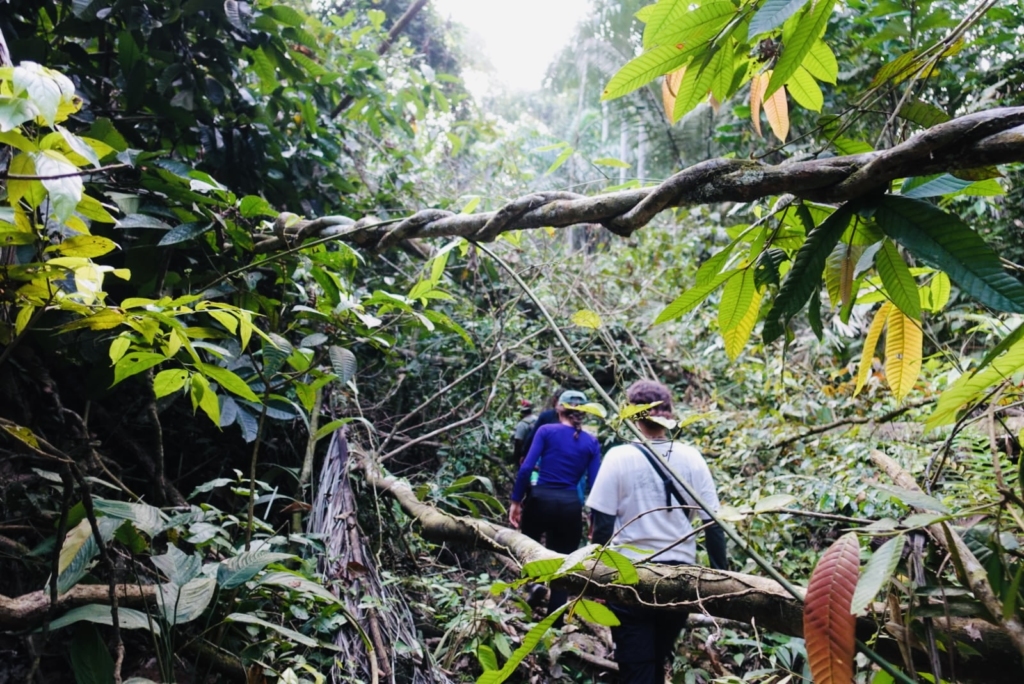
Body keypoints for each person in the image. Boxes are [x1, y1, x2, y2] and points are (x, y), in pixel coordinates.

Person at [586, 380, 727, 684]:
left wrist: (597, 577)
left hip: (631, 573)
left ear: (631, 413)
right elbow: (713, 525)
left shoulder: (619, 457)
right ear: (669, 415)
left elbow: (603, 526)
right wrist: (723, 579)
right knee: (657, 656)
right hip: (679, 578)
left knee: (637, 665)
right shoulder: (692, 458)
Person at [509, 389, 602, 617]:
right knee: (563, 563)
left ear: (558, 408)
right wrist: (594, 518)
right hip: (570, 505)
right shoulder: (591, 442)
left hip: (540, 499)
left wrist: (516, 501)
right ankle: (556, 621)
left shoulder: (546, 431)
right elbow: (595, 485)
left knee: (528, 548)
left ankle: (532, 587)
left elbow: (527, 468)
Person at [511, 399, 537, 465]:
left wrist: (515, 457)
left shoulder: (522, 424)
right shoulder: (538, 419)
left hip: (525, 455)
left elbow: (518, 442)